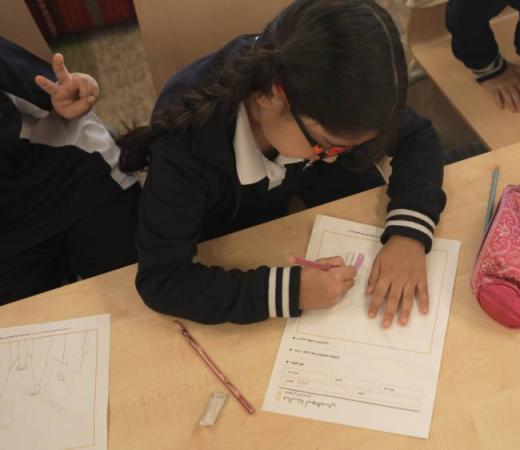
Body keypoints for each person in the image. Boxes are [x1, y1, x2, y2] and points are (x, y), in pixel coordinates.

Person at [119, 0, 446, 327]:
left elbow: (417, 137)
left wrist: (408, 234)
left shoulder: (335, 96)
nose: (334, 156)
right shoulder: (186, 145)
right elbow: (162, 279)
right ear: (270, 97)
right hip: (227, 240)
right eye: (326, 144)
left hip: (298, 216)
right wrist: (290, 292)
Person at [0, 37, 140, 305]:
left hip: (71, 180)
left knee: (142, 298)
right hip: (8, 239)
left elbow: (56, 92)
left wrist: (65, 95)